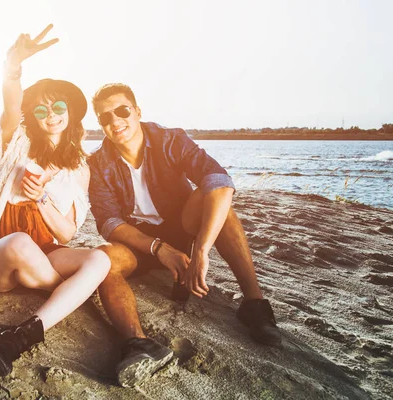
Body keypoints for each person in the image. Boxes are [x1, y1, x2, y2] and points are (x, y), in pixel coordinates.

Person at [88, 83, 282, 387]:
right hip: (139, 241)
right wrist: (159, 249)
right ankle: (138, 343)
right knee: (103, 258)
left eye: (122, 111)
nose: (115, 121)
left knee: (218, 203)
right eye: (104, 117)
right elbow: (109, 222)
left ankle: (254, 305)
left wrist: (201, 250)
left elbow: (219, 180)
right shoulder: (97, 163)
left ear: (137, 112)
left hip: (181, 227)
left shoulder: (169, 139)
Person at [0, 25, 114, 377]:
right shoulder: (16, 140)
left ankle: (23, 335)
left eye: (57, 107)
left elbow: (67, 233)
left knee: (99, 260)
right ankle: (70, 292)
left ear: (69, 111)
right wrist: (13, 65)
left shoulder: (80, 167)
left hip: (45, 251)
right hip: (2, 252)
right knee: (21, 243)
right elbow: (11, 105)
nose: (51, 115)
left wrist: (41, 200)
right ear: (33, 118)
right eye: (40, 111)